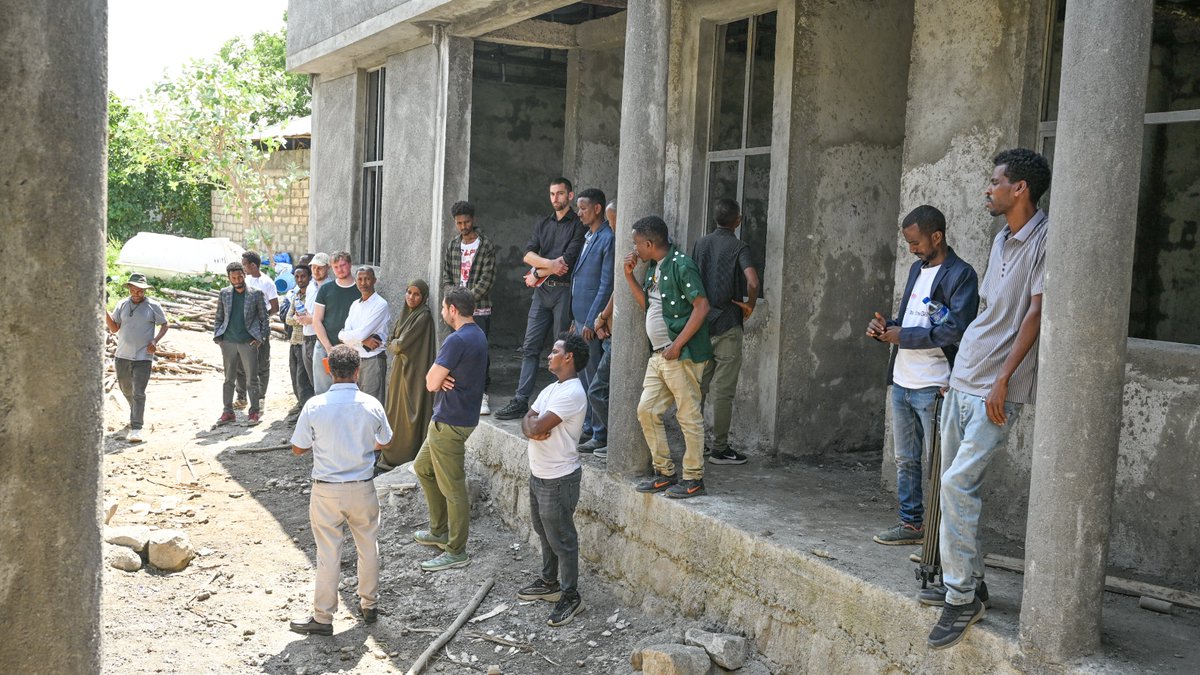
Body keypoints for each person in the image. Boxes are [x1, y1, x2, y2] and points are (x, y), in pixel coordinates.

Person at [924, 148, 1051, 650]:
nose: (987, 188)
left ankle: (960, 599)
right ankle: (971, 583)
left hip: (997, 387)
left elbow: (1034, 317)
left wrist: (1002, 380)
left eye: (994, 181)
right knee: (954, 487)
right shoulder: (1001, 239)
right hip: (965, 375)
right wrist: (957, 375)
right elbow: (991, 312)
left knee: (958, 483)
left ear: (1019, 188)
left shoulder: (1046, 240)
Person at [866, 205, 979, 547]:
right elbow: (911, 322)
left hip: (936, 385)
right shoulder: (918, 269)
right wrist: (886, 329)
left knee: (942, 466)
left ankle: (942, 541)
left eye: (915, 242)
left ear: (937, 236)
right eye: (909, 243)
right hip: (903, 381)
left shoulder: (962, 275)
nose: (912, 249)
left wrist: (904, 336)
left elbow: (955, 330)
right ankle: (912, 525)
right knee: (906, 460)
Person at [288, 345, 393, 637]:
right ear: (358, 371)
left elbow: (298, 448)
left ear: (327, 368)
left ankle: (323, 617)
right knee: (368, 547)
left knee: (328, 553)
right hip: (362, 487)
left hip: (327, 490)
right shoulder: (371, 404)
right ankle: (369, 606)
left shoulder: (314, 405)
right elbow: (384, 441)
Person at [623, 216, 712, 499]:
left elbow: (701, 307)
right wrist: (628, 276)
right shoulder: (652, 267)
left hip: (680, 354)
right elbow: (648, 305)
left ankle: (694, 479)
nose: (635, 248)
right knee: (647, 410)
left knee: (688, 416)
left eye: (637, 243)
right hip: (660, 355)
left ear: (649, 243)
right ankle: (665, 473)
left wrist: (677, 345)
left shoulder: (682, 265)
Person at [494, 178, 587, 420]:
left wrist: (537, 271)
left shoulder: (578, 225)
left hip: (563, 291)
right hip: (542, 291)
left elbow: (566, 264)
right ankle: (520, 399)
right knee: (530, 347)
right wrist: (546, 266)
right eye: (552, 194)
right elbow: (527, 254)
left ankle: (558, 401)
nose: (555, 198)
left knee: (562, 349)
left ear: (570, 195)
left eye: (560, 194)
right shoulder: (543, 223)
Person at [412, 287, 489, 572]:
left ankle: (456, 549)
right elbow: (439, 378)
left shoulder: (457, 340)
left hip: (450, 422)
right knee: (423, 468)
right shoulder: (478, 334)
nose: (442, 312)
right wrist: (441, 375)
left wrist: (438, 375)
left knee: (453, 488)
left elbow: (431, 382)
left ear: (453, 310)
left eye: (444, 308)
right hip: (455, 418)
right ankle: (439, 530)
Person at [516, 333, 589, 627]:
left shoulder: (572, 392)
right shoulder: (551, 389)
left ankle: (571, 595)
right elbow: (527, 420)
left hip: (559, 478)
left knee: (562, 538)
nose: (549, 355)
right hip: (540, 475)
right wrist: (531, 427)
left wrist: (533, 426)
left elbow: (538, 424)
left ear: (568, 357)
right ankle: (549, 581)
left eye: (555, 350)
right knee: (544, 531)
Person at [691, 198, 760, 466]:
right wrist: (750, 305)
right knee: (723, 390)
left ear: (714, 218)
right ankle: (720, 448)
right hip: (728, 323)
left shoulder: (700, 244)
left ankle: (696, 444)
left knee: (699, 387)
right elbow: (753, 280)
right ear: (738, 221)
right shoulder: (739, 246)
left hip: (702, 323)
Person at [568, 188, 614, 451]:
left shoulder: (607, 238)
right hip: (580, 318)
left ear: (597, 209)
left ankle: (600, 432)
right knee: (584, 376)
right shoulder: (588, 236)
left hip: (592, 323)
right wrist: (575, 318)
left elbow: (605, 284)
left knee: (594, 376)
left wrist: (592, 319)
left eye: (583, 208)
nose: (579, 212)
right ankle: (587, 426)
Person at [441, 201, 497, 415]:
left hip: (479, 308)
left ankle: (482, 393)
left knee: (479, 350)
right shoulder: (453, 245)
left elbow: (487, 279)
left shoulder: (485, 245)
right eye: (459, 223)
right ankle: (459, 390)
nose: (463, 226)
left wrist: (465, 300)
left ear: (473, 220)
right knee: (456, 349)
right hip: (455, 310)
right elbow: (446, 275)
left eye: (466, 222)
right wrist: (452, 298)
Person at [104, 272, 169, 442]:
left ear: (145, 290)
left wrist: (155, 341)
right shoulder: (122, 304)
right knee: (126, 389)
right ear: (130, 289)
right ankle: (135, 409)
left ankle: (136, 428)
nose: (137, 293)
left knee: (139, 392)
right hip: (122, 355)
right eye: (134, 290)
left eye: (140, 290)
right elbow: (114, 328)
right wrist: (104, 310)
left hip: (143, 356)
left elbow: (165, 324)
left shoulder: (153, 306)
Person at [379, 279, 437, 469]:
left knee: (409, 414)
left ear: (424, 297)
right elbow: (390, 339)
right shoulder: (406, 314)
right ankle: (391, 453)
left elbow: (399, 344)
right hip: (399, 371)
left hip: (413, 374)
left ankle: (405, 457)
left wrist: (393, 344)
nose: (411, 297)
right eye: (409, 292)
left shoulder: (423, 316)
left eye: (417, 294)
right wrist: (393, 343)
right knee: (394, 413)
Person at [213, 262, 270, 426]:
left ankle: (253, 413)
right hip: (228, 342)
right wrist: (219, 338)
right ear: (229, 278)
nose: (237, 279)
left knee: (252, 379)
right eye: (233, 277)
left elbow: (264, 318)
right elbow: (219, 317)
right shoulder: (224, 293)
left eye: (239, 276)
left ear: (244, 275)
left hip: (248, 342)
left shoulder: (255, 294)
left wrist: (260, 339)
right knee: (228, 379)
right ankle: (227, 411)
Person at [585, 200, 619, 458]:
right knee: (599, 386)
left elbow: (609, 285)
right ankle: (603, 435)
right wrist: (601, 318)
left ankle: (612, 437)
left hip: (615, 332)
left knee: (598, 388)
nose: (609, 225)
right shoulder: (602, 237)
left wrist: (598, 318)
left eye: (612, 219)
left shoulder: (616, 243)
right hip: (606, 326)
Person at [338, 267, 391, 402]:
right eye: (360, 279)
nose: (363, 283)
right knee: (355, 402)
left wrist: (350, 337)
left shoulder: (381, 304)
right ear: (355, 281)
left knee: (371, 404)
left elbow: (360, 333)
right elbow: (342, 335)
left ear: (374, 280)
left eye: (367, 279)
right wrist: (361, 341)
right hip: (355, 360)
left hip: (373, 361)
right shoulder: (355, 305)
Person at [312, 251, 361, 395]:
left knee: (350, 391)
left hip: (352, 350)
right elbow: (317, 320)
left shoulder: (360, 289)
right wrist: (328, 348)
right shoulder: (326, 289)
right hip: (325, 347)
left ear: (350, 265)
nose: (340, 269)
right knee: (322, 391)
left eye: (342, 265)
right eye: (336, 267)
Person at [234, 251, 279, 408]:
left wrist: (258, 316)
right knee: (240, 363)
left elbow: (275, 307)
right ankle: (241, 397)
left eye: (245, 264)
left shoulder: (267, 283)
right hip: (242, 330)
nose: (243, 267)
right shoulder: (242, 281)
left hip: (260, 329)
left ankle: (260, 398)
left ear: (253, 265)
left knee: (262, 364)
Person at [296, 252, 331, 397]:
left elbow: (330, 316)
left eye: (320, 268)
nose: (316, 271)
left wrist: (311, 319)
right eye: (314, 267)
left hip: (321, 339)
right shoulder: (311, 286)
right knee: (312, 381)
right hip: (307, 337)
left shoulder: (331, 287)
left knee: (325, 382)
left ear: (328, 268)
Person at [284, 264, 316, 411]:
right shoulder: (296, 296)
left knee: (303, 380)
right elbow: (288, 319)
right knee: (294, 377)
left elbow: (312, 319)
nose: (300, 279)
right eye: (297, 276)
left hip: (305, 342)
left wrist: (301, 318)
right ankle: (300, 406)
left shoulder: (312, 296)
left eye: (303, 276)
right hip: (294, 341)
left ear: (309, 277)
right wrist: (300, 318)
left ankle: (306, 410)